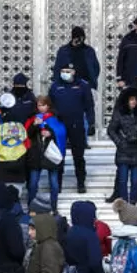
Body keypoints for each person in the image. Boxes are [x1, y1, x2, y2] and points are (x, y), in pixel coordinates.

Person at [50, 62, 95, 194]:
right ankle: (57, 184)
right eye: (63, 70)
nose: (65, 73)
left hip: (77, 124)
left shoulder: (83, 85)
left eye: (68, 71)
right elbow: (50, 105)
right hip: (59, 125)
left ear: (74, 72)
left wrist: (91, 123)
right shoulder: (55, 86)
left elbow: (89, 106)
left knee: (78, 156)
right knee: (58, 155)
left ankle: (81, 183)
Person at [108, 89, 137, 204]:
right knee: (122, 179)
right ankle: (124, 202)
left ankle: (133, 201)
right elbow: (111, 130)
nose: (134, 102)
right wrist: (119, 142)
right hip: (124, 149)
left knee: (136, 180)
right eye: (131, 99)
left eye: (135, 99)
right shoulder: (119, 113)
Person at [26, 95, 66, 212]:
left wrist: (51, 133)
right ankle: (31, 208)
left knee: (54, 184)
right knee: (33, 183)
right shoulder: (33, 118)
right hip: (36, 154)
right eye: (39, 105)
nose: (41, 108)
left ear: (48, 106)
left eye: (43, 105)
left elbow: (61, 133)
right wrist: (35, 125)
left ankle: (54, 207)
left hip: (51, 154)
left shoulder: (54, 119)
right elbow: (28, 134)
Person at [54, 25, 101, 91]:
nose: (80, 41)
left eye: (82, 38)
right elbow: (57, 69)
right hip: (68, 87)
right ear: (73, 38)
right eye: (78, 38)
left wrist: (92, 80)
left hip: (87, 86)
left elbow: (96, 68)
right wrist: (58, 86)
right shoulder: (63, 51)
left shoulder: (89, 51)